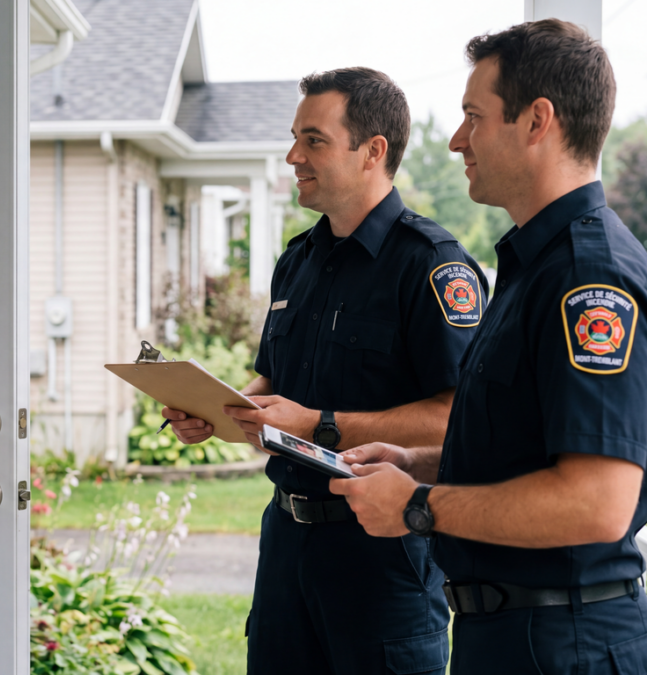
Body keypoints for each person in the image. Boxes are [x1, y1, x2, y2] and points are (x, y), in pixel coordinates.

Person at [330, 19, 647, 674]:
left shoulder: (588, 278)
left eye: (474, 116)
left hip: (563, 641)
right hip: (513, 633)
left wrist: (417, 507)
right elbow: (524, 446)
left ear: (537, 121)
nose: (456, 139)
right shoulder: (536, 267)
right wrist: (419, 462)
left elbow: (597, 502)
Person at [164, 68, 488, 674]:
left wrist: (318, 424)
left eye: (313, 140)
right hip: (286, 544)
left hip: (382, 553)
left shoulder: (433, 265)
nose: (293, 156)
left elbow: (460, 420)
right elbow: (271, 385)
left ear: (373, 151)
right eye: (295, 139)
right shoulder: (297, 261)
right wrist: (212, 409)